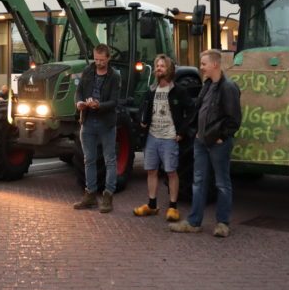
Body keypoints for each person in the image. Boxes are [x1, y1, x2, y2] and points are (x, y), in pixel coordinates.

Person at [171, 49, 241, 238]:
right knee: (199, 182)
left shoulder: (228, 87)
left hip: (217, 143)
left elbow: (234, 119)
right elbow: (198, 110)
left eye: (203, 64)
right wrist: (193, 132)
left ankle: (222, 224)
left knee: (222, 183)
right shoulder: (207, 85)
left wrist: (222, 137)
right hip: (201, 142)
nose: (201, 68)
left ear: (215, 65)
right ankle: (194, 222)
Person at [133, 54, 193, 222]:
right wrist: (142, 121)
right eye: (157, 66)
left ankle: (173, 207)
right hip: (152, 136)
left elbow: (191, 111)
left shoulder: (178, 91)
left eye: (162, 66)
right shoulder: (151, 90)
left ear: (169, 70)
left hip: (169, 138)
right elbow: (141, 110)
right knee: (151, 171)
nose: (158, 68)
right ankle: (152, 205)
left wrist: (181, 131)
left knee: (171, 172)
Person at [72, 44, 121, 214]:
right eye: (96, 59)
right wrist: (79, 103)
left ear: (108, 58)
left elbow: (115, 102)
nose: (98, 63)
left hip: (106, 122)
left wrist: (99, 105)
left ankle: (108, 195)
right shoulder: (87, 71)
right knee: (89, 159)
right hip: (88, 121)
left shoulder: (114, 76)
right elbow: (78, 92)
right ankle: (90, 194)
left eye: (101, 60)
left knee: (109, 160)